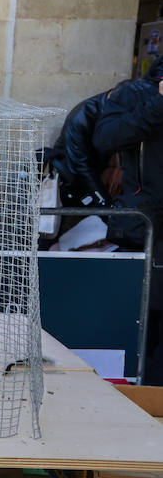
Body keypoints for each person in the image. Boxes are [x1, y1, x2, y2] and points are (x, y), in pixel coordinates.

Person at [93, 54, 163, 384]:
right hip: (149, 228)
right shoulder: (134, 93)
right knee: (145, 323)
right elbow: (106, 139)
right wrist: (160, 102)